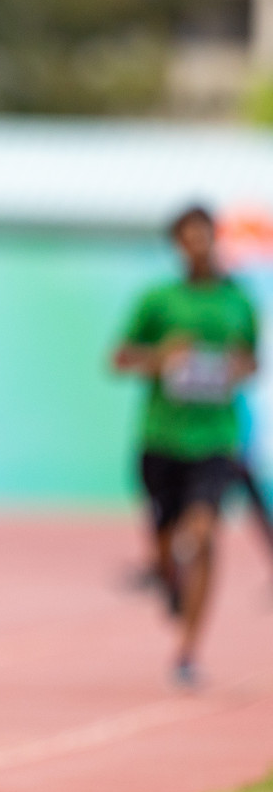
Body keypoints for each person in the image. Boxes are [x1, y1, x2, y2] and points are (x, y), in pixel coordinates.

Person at [113, 205, 259, 688]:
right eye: (187, 238)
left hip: (215, 437)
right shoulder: (158, 300)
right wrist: (160, 357)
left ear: (215, 239)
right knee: (165, 542)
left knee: (201, 535)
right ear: (177, 244)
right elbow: (118, 358)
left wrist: (240, 368)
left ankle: (187, 652)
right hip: (161, 438)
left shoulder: (239, 301)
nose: (198, 246)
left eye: (205, 236)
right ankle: (166, 573)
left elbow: (252, 363)